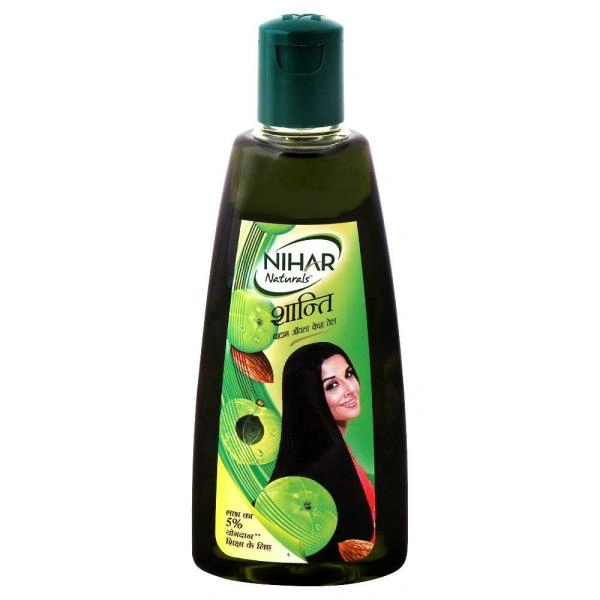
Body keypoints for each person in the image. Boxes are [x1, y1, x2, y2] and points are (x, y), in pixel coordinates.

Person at [269, 342, 375, 561]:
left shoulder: (343, 453)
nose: (350, 389)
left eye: (349, 374)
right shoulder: (321, 470)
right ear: (309, 396)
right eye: (332, 385)